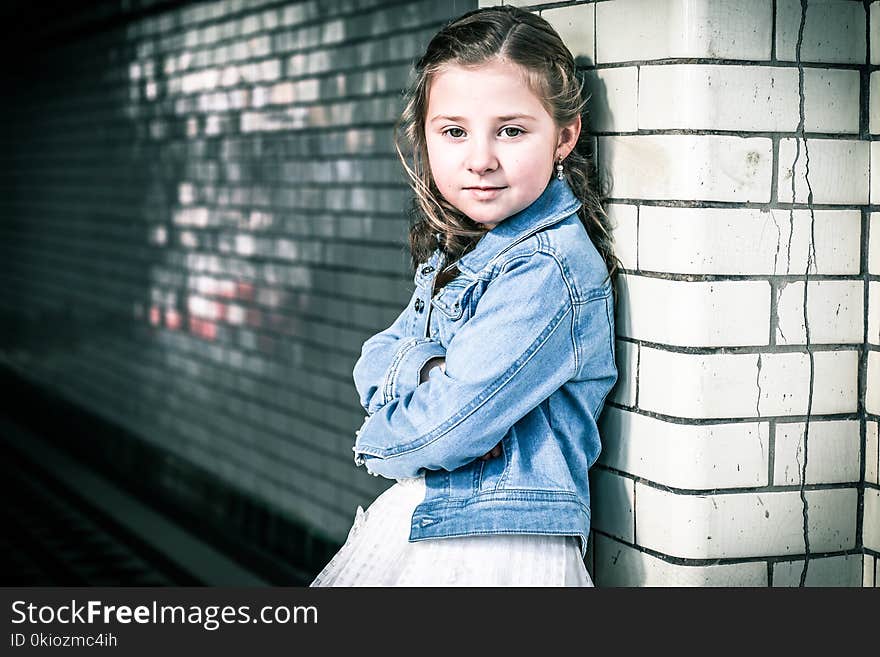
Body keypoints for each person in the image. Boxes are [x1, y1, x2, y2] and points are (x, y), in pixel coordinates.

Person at [310, 4, 619, 587]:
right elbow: (373, 357)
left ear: (564, 136)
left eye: (511, 130)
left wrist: (382, 433)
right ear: (425, 137)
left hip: (499, 545)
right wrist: (433, 371)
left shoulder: (547, 269)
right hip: (439, 519)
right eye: (454, 131)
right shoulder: (466, 250)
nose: (480, 159)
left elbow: (454, 426)